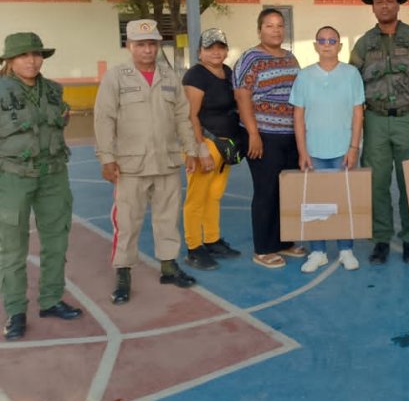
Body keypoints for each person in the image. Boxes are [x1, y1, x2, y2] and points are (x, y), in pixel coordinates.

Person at [94, 19, 198, 304]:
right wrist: (106, 158)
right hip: (131, 165)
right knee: (127, 222)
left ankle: (168, 265)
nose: (147, 50)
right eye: (141, 44)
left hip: (166, 161)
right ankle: (124, 271)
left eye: (152, 43)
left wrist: (191, 150)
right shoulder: (116, 77)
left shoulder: (169, 77)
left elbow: (182, 116)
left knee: (168, 217)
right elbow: (104, 119)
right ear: (129, 46)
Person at [0, 33, 83, 340]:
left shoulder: (53, 90)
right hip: (12, 177)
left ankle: (50, 299)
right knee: (11, 247)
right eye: (24, 55)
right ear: (10, 60)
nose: (32, 60)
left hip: (53, 175)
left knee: (56, 240)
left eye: (37, 54)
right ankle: (16, 310)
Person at [350, 0, 409, 265]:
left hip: (408, 119)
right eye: (378, 2)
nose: (384, 6)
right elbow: (351, 82)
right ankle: (381, 239)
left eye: (389, 1)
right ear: (372, 7)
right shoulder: (363, 43)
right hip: (374, 119)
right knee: (376, 182)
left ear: (398, 5)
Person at [233, 8, 307, 269]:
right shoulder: (250, 59)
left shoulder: (290, 58)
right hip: (262, 134)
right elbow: (242, 97)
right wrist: (253, 133)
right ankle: (263, 248)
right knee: (266, 191)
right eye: (269, 26)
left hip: (289, 134)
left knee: (286, 190)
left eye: (279, 25)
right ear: (259, 30)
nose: (275, 30)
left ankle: (284, 241)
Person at [291, 26, 364, 273]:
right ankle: (318, 251)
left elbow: (357, 113)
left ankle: (346, 249)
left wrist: (354, 146)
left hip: (343, 150)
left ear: (339, 46)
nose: (327, 44)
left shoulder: (352, 74)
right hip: (314, 151)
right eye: (322, 40)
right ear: (315, 45)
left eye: (332, 40)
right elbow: (298, 115)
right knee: (315, 204)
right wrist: (302, 151)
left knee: (344, 202)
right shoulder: (304, 76)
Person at [181, 28, 243, 271]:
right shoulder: (196, 76)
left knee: (214, 195)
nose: (216, 52)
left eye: (220, 47)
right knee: (196, 199)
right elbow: (190, 115)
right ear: (200, 52)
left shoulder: (226, 72)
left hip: (225, 147)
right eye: (210, 48)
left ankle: (212, 239)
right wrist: (198, 150)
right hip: (206, 144)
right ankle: (194, 248)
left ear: (226, 50)